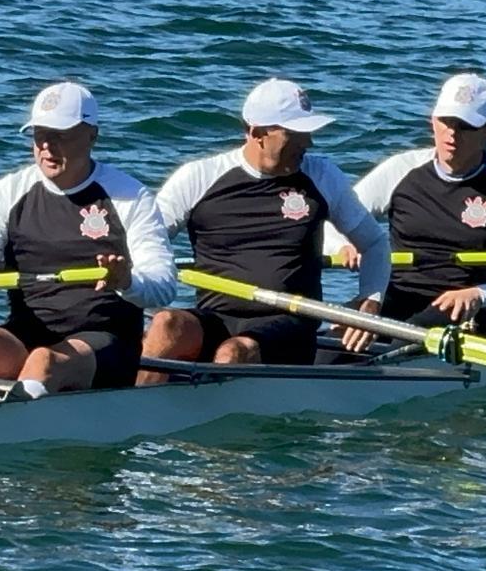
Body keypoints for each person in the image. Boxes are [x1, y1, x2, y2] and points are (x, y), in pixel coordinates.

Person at [0, 81, 176, 402]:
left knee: (44, 361)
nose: (46, 147)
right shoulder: (10, 190)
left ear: (92, 135)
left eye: (59, 135)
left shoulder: (130, 197)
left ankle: (7, 417)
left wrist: (126, 281)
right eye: (39, 135)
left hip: (106, 342)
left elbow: (163, 285)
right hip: (28, 332)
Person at [137, 77, 390, 382]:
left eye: (308, 132)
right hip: (217, 316)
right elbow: (145, 242)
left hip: (291, 323)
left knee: (234, 352)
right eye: (294, 134)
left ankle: (212, 402)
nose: (307, 143)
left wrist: (369, 304)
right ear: (257, 133)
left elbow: (375, 243)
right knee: (166, 324)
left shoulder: (321, 175)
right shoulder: (198, 178)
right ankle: (138, 404)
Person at [324, 73, 486, 335]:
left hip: (464, 311)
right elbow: (331, 221)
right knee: (331, 345)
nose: (452, 133)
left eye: (465, 125)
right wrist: (341, 245)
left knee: (402, 341)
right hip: (396, 298)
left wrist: (481, 294)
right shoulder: (400, 170)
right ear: (432, 121)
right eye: (445, 121)